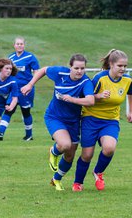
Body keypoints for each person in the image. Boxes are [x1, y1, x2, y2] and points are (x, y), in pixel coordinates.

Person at [21, 54, 94, 191]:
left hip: (73, 121)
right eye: (76, 68)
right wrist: (30, 84)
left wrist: (72, 99)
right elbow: (43, 70)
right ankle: (53, 152)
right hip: (54, 117)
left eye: (82, 68)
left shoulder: (85, 82)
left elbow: (90, 101)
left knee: (69, 155)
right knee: (64, 144)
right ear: (70, 67)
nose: (79, 71)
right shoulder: (60, 72)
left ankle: (56, 179)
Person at [73, 49, 132, 192]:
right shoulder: (100, 78)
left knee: (109, 148)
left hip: (110, 120)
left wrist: (131, 111)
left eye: (125, 66)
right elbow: (86, 96)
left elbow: (131, 93)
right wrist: (99, 96)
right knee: (87, 155)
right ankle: (78, 182)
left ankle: (98, 172)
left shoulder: (128, 80)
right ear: (111, 64)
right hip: (91, 118)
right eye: (120, 66)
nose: (123, 69)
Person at [0, 37, 40, 141]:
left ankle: (29, 135)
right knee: (8, 110)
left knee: (26, 111)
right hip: (13, 89)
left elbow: (36, 71)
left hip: (26, 90)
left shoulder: (30, 57)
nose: (19, 45)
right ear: (14, 45)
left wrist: (30, 84)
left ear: (24, 45)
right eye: (17, 44)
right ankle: (0, 133)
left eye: (21, 44)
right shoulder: (10, 57)